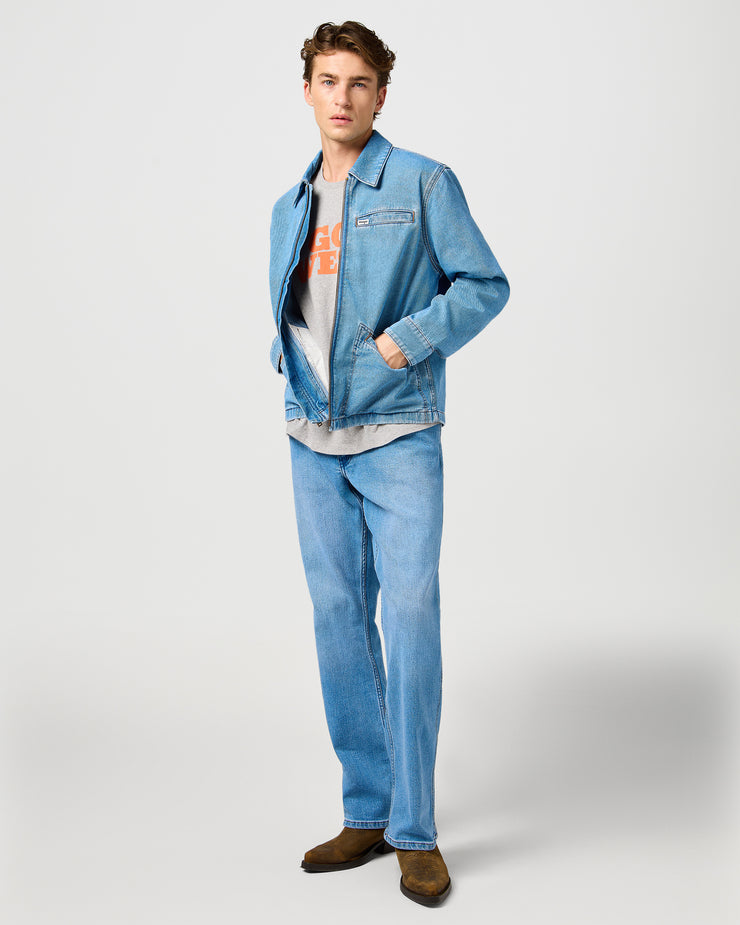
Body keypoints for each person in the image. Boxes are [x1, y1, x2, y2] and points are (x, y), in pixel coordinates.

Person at [268, 21, 509, 907]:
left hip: (400, 432)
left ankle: (415, 829)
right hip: (312, 441)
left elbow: (485, 284)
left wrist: (409, 340)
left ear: (380, 94)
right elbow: (294, 309)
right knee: (338, 619)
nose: (343, 97)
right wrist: (286, 370)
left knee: (408, 617)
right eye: (328, 80)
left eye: (360, 82)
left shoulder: (422, 182)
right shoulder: (288, 205)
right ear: (307, 90)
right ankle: (365, 810)